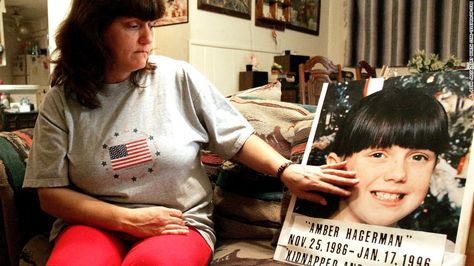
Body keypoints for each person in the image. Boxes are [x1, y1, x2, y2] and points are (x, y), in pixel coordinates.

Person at [22, 0, 358, 265]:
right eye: (133, 25)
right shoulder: (62, 100)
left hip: (179, 223)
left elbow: (236, 139)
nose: (148, 39)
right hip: (93, 223)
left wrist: (286, 170)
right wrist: (126, 220)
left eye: (151, 25)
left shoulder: (178, 77)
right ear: (94, 30)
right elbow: (50, 195)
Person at [296, 88, 449, 228]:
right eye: (378, 155)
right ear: (335, 167)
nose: (398, 174)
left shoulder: (443, 253)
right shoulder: (297, 236)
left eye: (418, 158)